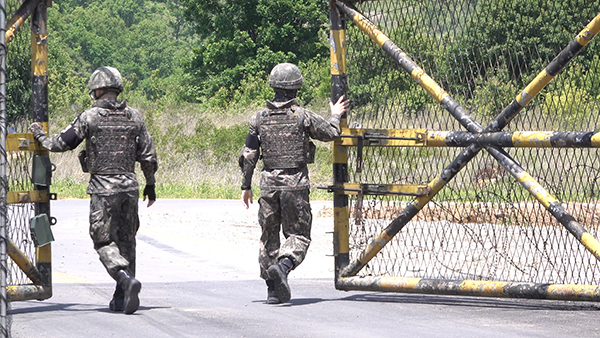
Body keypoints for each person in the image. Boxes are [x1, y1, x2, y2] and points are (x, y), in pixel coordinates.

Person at [29, 66, 158, 315]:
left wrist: (40, 136)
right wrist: (150, 185)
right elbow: (148, 156)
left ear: (97, 90)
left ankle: (123, 278)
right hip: (130, 187)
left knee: (103, 241)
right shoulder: (135, 117)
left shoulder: (90, 117)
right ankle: (121, 298)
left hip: (103, 188)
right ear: (117, 88)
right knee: (127, 241)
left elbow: (61, 143)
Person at [240, 63, 349, 304]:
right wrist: (335, 114)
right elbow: (331, 133)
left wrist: (245, 186)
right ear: (296, 87)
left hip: (268, 184)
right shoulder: (301, 115)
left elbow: (249, 153)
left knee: (269, 236)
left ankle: (272, 291)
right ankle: (284, 266)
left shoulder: (258, 118)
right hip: (295, 184)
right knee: (298, 234)